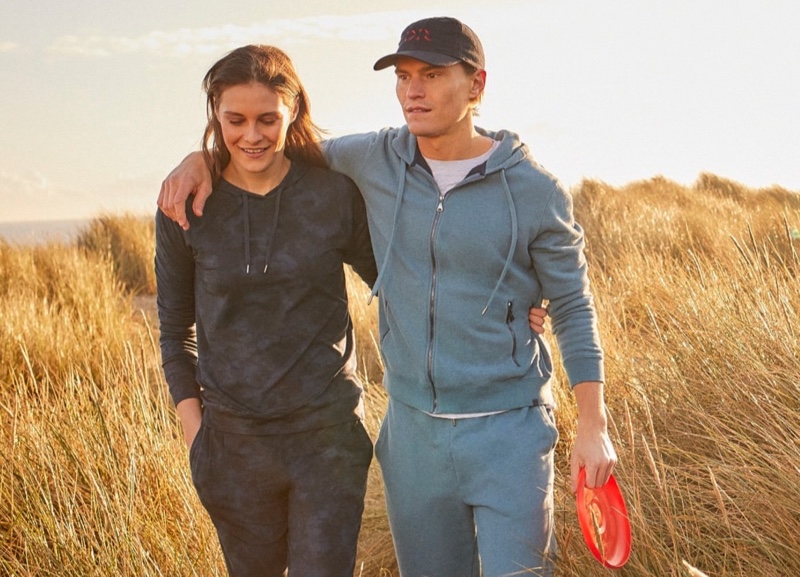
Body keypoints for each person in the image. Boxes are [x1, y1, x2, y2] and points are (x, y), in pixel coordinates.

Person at [159, 17, 616, 577]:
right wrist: (201, 158)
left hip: (507, 429)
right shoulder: (372, 159)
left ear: (476, 85)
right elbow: (270, 147)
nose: (412, 90)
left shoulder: (536, 191)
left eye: (431, 74)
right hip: (413, 435)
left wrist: (592, 424)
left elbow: (573, 306)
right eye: (402, 76)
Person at [155, 45, 379, 577]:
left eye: (267, 119)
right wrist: (198, 437)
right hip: (232, 450)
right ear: (215, 114)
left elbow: (396, 286)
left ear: (293, 111)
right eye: (235, 120)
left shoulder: (333, 195)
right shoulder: (185, 206)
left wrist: (510, 298)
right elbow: (174, 332)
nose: (251, 135)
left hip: (327, 441)